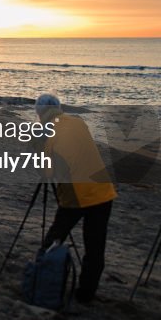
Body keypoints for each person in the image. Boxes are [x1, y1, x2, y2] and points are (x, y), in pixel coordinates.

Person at [35, 93, 117, 304]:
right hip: (103, 191)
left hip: (77, 195)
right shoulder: (78, 123)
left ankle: (41, 274)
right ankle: (86, 293)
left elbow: (47, 171)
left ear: (41, 114)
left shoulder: (51, 135)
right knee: (95, 247)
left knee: (56, 235)